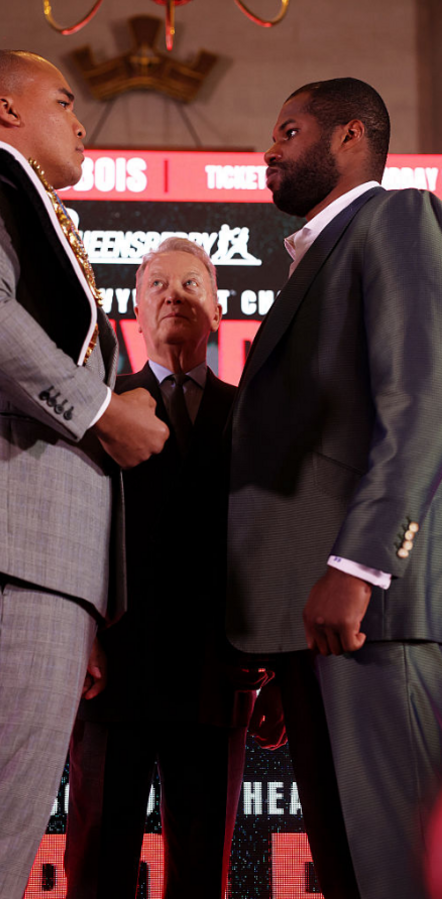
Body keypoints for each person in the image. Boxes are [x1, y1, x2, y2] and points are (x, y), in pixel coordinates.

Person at [0, 50, 167, 898]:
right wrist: (99, 409)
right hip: (9, 548)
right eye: (63, 100)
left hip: (36, 560)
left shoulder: (28, 216)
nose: (81, 118)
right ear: (5, 111)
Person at [228, 77, 442, 898]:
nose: (270, 150)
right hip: (314, 634)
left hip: (374, 619)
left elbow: (421, 403)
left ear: (351, 137)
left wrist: (357, 568)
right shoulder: (316, 260)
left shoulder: (394, 220)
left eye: (288, 130)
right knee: (355, 876)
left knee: (399, 877)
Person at [62, 239, 260, 897]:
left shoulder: (253, 415)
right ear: (136, 314)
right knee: (98, 866)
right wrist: (82, 631)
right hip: (111, 670)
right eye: (157, 285)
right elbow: (76, 529)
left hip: (216, 672)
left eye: (191, 283)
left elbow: (270, 544)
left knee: (203, 873)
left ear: (218, 310)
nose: (174, 293)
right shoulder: (101, 407)